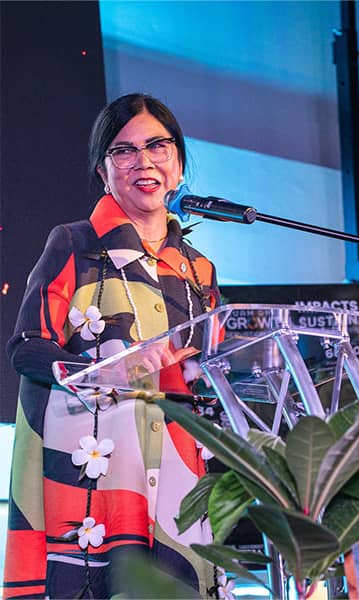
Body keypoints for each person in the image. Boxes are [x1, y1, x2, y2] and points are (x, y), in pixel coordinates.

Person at [3, 94, 221, 599]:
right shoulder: (75, 244)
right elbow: (27, 347)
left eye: (157, 146)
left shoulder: (199, 269)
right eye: (123, 151)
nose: (143, 161)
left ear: (179, 163)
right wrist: (106, 371)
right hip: (100, 466)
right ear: (104, 172)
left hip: (179, 470)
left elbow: (214, 367)